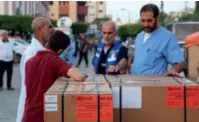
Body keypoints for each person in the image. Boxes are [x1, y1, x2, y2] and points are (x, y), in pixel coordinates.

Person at [22, 31, 87, 122]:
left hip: (28, 114)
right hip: (45, 115)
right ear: (60, 50)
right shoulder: (55, 61)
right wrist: (84, 74)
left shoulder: (30, 61)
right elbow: (79, 77)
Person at [130, 4, 185, 76]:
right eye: (143, 21)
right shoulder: (139, 36)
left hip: (153, 85)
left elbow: (181, 63)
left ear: (157, 17)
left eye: (149, 20)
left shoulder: (167, 37)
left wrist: (173, 70)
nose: (146, 24)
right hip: (135, 84)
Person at [16, 17, 53, 122]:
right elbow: (32, 84)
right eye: (49, 27)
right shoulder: (32, 52)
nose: (52, 30)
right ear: (40, 29)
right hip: (32, 105)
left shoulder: (41, 49)